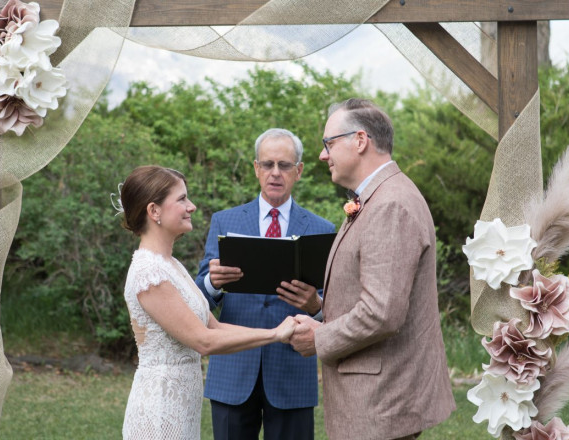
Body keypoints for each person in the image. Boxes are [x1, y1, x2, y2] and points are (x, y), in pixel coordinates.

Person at [287, 99, 455, 440]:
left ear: (360, 141)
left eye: (328, 144)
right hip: (375, 399)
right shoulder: (378, 197)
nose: (323, 155)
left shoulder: (390, 204)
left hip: (381, 403)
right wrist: (321, 311)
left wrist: (319, 337)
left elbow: (382, 312)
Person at [116, 165, 297, 440]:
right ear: (154, 211)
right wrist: (275, 334)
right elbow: (204, 341)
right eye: (182, 199)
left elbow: (215, 327)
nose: (192, 206)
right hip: (160, 408)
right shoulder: (148, 273)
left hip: (181, 408)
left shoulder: (171, 265)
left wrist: (280, 333)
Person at [194, 128, 336, 440]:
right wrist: (213, 283)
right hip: (233, 368)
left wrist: (316, 305)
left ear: (298, 171)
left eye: (284, 165)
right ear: (256, 168)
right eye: (267, 164)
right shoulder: (225, 221)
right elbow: (199, 299)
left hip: (291, 371)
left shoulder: (321, 229)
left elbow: (335, 305)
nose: (275, 173)